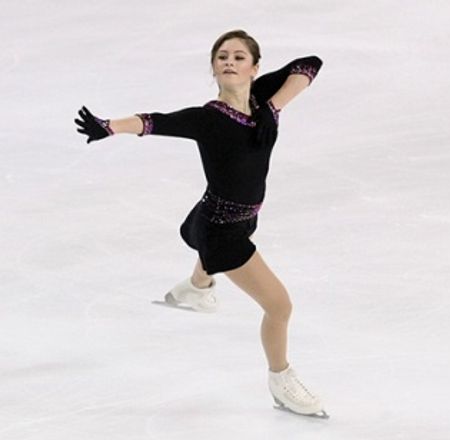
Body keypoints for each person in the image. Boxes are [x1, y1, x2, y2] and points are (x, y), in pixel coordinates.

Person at [75, 30, 327, 418]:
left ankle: (196, 288)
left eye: (239, 57)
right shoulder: (208, 119)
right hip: (222, 228)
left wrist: (273, 107)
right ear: (213, 67)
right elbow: (154, 122)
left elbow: (309, 65)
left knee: (215, 257)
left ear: (254, 67)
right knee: (279, 306)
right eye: (222, 57)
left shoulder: (261, 99)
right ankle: (281, 381)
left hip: (235, 215)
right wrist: (109, 126)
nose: (229, 62)